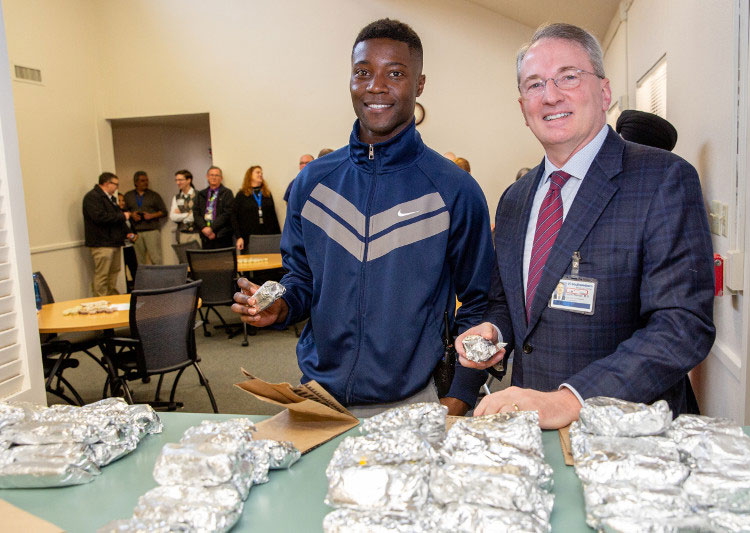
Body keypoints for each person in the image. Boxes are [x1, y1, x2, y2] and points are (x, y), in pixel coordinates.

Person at [456, 23, 715, 428]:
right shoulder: (514, 200)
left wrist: (572, 399)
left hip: (627, 438)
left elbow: (682, 326)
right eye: (535, 84)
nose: (551, 95)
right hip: (529, 430)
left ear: (604, 92)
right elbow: (507, 303)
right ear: (523, 107)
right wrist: (494, 332)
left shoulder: (662, 178)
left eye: (569, 77)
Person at [232, 18, 494, 417]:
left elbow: (479, 303)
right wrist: (280, 307)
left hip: (416, 404)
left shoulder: (455, 190)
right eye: (363, 72)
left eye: (395, 73)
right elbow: (300, 279)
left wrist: (460, 396)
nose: (376, 85)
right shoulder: (311, 184)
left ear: (419, 84)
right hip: (318, 399)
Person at [82, 172, 135, 296]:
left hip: (114, 241)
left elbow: (116, 218)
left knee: (114, 272)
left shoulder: (111, 199)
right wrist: (122, 216)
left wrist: (127, 232)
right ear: (106, 183)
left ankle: (112, 299)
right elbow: (99, 217)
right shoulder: (93, 197)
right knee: (102, 274)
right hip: (101, 242)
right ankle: (100, 300)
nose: (117, 187)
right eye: (115, 184)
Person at [233, 165, 281, 252]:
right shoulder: (241, 195)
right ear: (250, 175)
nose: (260, 174)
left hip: (267, 237)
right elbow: (234, 217)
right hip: (248, 238)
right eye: (258, 172)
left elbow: (273, 216)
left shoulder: (267, 194)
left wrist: (279, 237)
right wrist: (238, 237)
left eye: (261, 173)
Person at [123, 171, 166, 265]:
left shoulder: (154, 195)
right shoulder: (128, 196)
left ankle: (160, 278)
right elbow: (123, 212)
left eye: (147, 180)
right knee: (138, 261)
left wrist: (151, 215)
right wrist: (132, 214)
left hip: (152, 231)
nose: (146, 183)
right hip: (136, 232)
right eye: (142, 181)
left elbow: (164, 212)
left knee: (156, 258)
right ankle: (143, 279)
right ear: (136, 182)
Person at [193, 166, 234, 249]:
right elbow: (196, 213)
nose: (214, 177)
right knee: (208, 261)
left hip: (222, 236)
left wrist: (211, 228)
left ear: (221, 178)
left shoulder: (227, 193)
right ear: (207, 177)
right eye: (211, 175)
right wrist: (204, 228)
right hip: (205, 236)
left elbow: (227, 213)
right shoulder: (201, 194)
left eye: (216, 175)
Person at [169, 169, 201, 246]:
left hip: (196, 233)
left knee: (197, 257)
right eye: (176, 180)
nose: (178, 182)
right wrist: (187, 214)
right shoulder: (176, 197)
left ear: (189, 180)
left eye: (180, 180)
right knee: (183, 257)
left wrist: (181, 214)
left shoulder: (199, 195)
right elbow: (173, 217)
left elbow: (196, 216)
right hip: (182, 234)